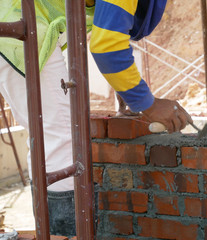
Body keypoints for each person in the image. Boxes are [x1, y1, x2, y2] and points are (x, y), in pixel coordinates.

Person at [0, 0, 192, 237]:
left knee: (46, 139)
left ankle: (56, 232)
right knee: (61, 139)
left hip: (16, 21)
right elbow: (107, 47)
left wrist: (127, 92)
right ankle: (67, 233)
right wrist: (148, 103)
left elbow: (110, 35)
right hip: (16, 25)